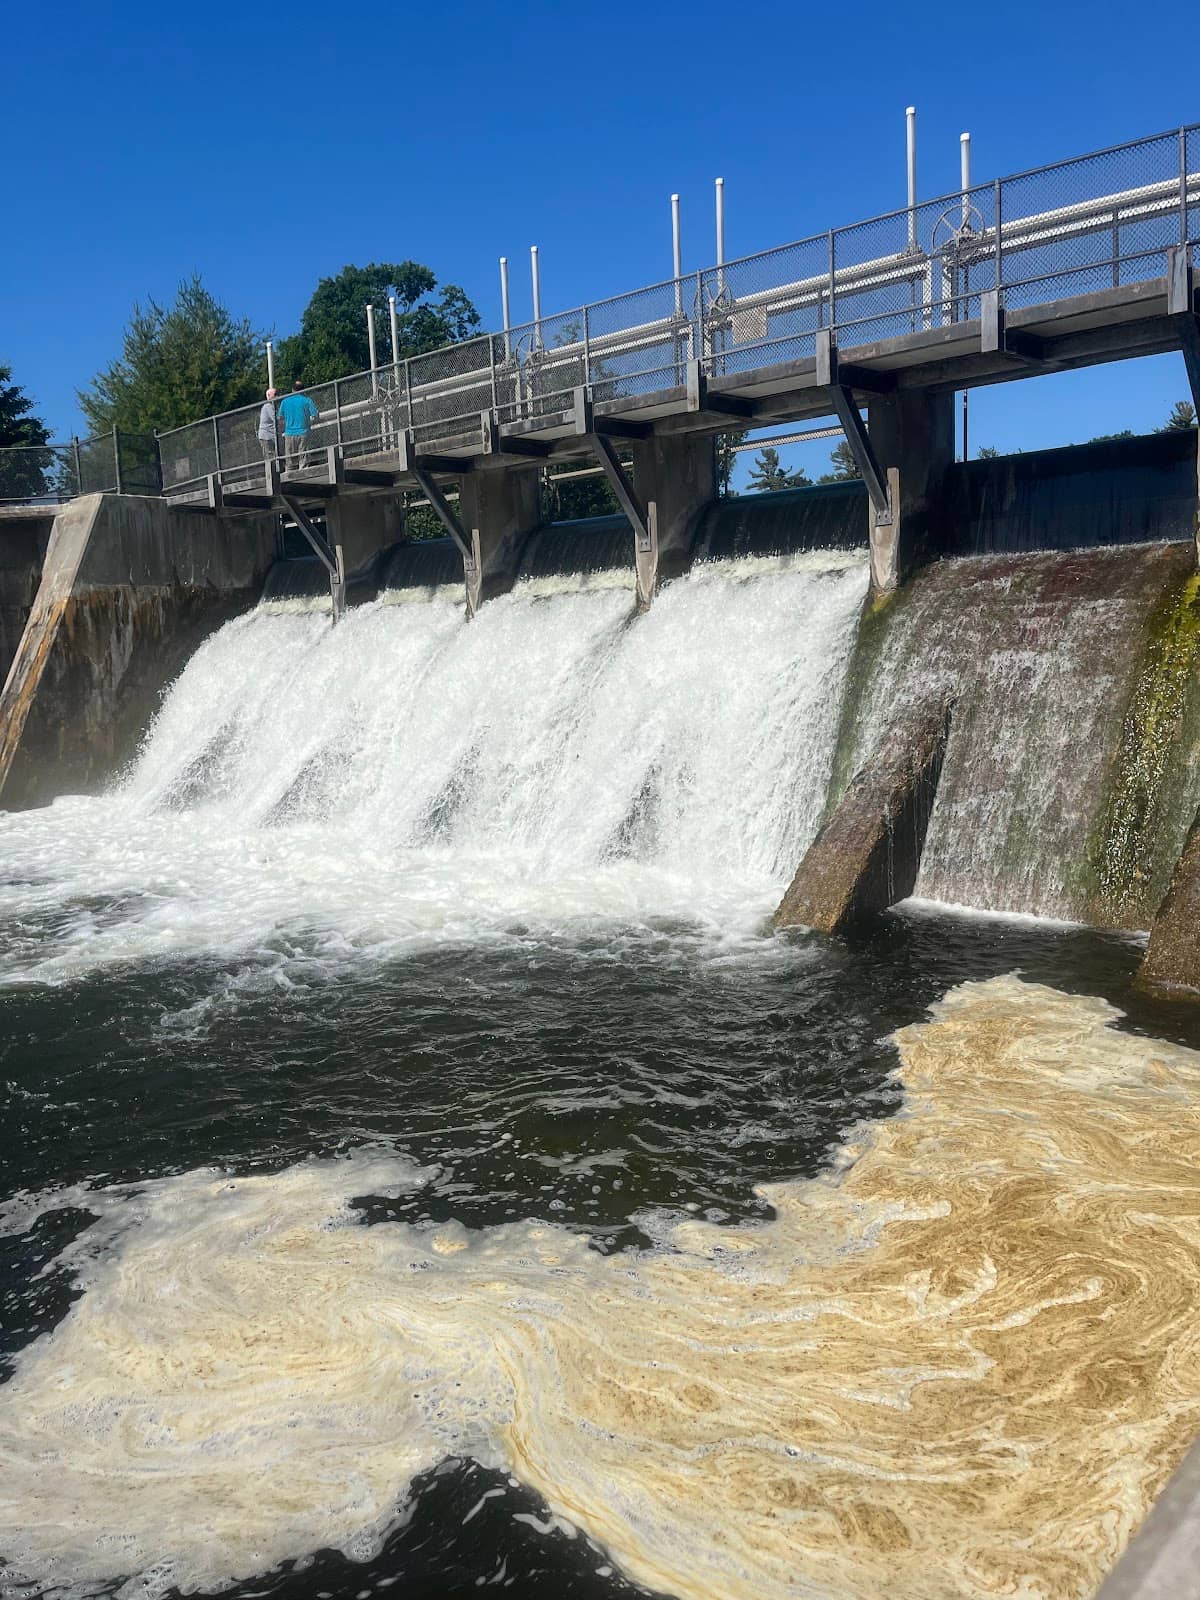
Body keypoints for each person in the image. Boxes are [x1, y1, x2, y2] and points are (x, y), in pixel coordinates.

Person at [278, 380, 320, 471]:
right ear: (303, 390)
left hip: (289, 433)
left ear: (292, 389)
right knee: (303, 459)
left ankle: (288, 476)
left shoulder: (285, 401)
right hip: (303, 432)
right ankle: (304, 474)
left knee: (289, 459)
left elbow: (280, 417)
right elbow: (315, 416)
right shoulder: (307, 400)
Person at [257, 388, 278, 463]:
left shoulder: (271, 406)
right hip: (266, 436)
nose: (277, 396)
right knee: (270, 458)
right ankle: (271, 474)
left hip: (270, 436)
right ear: (269, 396)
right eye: (275, 394)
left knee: (274, 456)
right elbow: (276, 419)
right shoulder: (268, 406)